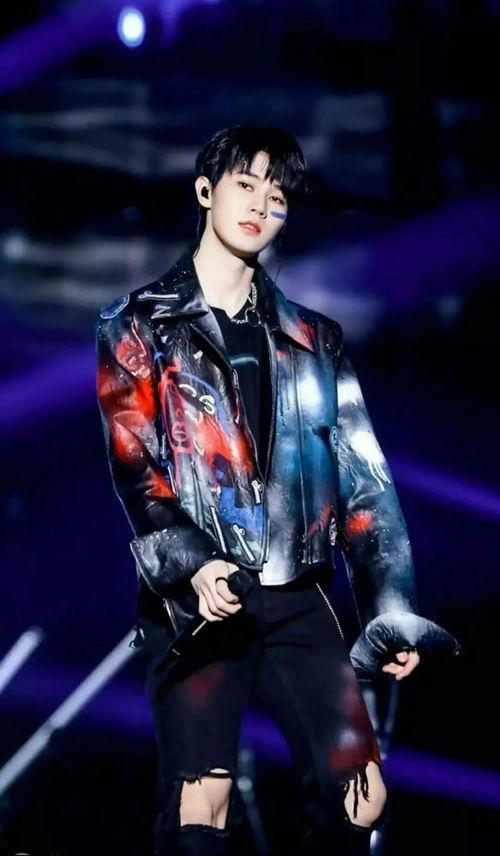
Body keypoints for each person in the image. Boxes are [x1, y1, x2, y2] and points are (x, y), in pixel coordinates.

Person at [96, 125, 425, 856]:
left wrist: (389, 608)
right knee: (202, 804)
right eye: (245, 184)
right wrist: (192, 562)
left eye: (276, 195)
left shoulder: (314, 340)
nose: (259, 204)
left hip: (298, 594)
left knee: (362, 797)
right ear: (205, 190)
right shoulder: (139, 324)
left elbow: (364, 482)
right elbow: (136, 465)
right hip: (199, 602)